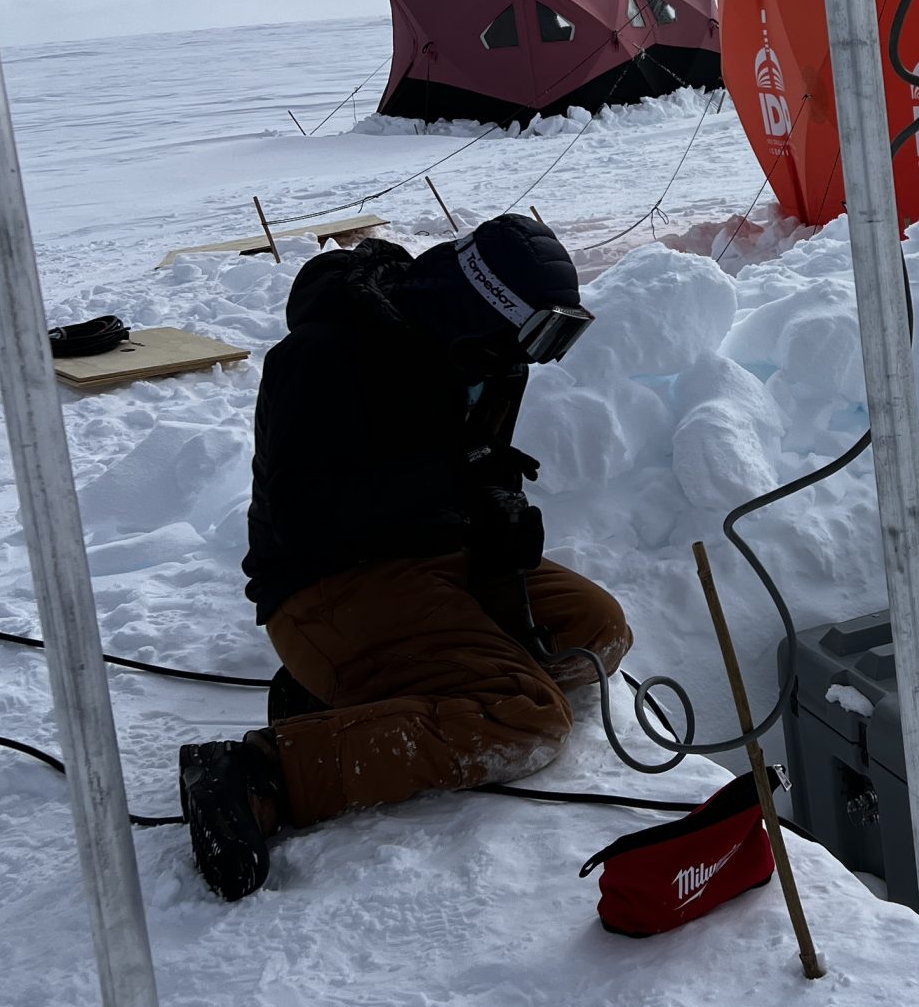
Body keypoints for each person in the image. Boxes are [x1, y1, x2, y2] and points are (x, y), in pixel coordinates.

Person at [178, 214, 630, 901]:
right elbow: (303, 513)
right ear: (480, 306)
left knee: (597, 628)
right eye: (534, 335)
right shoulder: (326, 356)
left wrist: (494, 510)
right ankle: (263, 772)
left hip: (438, 561)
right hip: (327, 582)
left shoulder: (489, 355)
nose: (534, 359)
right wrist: (451, 478)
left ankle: (372, 689)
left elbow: (468, 467)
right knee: (527, 718)